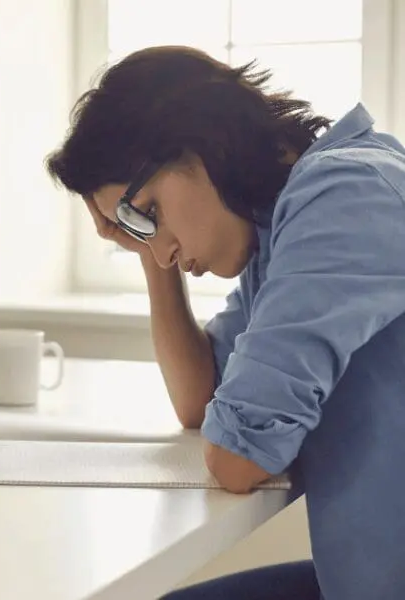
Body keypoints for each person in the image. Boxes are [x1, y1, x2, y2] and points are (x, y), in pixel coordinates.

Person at [44, 45, 405, 600]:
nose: (163, 251)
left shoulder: (345, 198)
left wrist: (147, 231)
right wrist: (148, 248)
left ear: (201, 145)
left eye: (146, 212)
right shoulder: (277, 233)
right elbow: (200, 400)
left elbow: (238, 459)